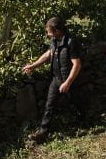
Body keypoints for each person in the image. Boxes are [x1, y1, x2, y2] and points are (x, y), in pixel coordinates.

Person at [22, 16, 83, 144]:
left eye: (49, 31)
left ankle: (85, 122)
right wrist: (33, 65)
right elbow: (48, 53)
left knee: (78, 102)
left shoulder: (71, 42)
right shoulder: (54, 41)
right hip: (56, 79)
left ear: (57, 30)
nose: (47, 33)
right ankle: (43, 132)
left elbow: (77, 64)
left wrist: (68, 83)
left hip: (70, 80)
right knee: (49, 105)